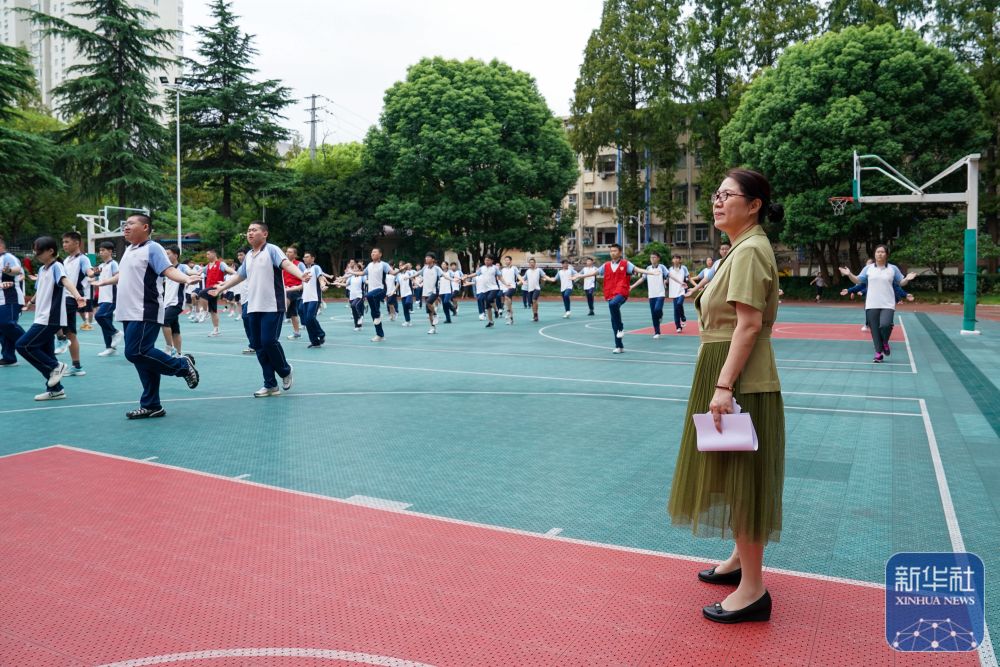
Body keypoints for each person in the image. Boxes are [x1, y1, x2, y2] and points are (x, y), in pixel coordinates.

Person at [668, 168, 785, 625]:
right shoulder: (740, 249)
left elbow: (749, 325)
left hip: (741, 381)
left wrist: (723, 386)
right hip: (728, 373)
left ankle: (753, 589)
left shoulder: (752, 250)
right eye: (715, 195)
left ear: (754, 204)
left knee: (745, 480)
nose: (717, 202)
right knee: (733, 476)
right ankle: (740, 560)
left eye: (727, 195)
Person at [92, 215, 201, 419]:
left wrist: (186, 278)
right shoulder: (129, 251)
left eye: (131, 224)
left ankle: (182, 366)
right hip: (127, 310)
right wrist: (104, 282)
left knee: (136, 352)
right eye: (125, 224)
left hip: (145, 309)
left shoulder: (153, 248)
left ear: (145, 227)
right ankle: (152, 405)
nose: (126, 227)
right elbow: (123, 275)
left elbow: (168, 270)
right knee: (142, 358)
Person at [210, 221, 310, 397]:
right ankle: (270, 384)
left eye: (254, 230)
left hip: (272, 305)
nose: (250, 233)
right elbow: (240, 275)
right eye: (248, 230)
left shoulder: (272, 250)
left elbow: (286, 264)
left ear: (264, 234)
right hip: (253, 305)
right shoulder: (249, 255)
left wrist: (300, 275)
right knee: (258, 346)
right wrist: (221, 288)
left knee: (269, 341)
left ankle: (285, 371)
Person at [15, 236, 88, 400]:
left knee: (23, 345)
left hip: (50, 318)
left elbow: (66, 281)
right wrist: (29, 304)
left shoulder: (57, 266)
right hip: (41, 316)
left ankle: (55, 366)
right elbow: (40, 290)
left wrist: (78, 297)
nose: (36, 254)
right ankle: (56, 389)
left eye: (39, 251)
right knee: (47, 351)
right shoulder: (42, 269)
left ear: (51, 251)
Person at [838, 247, 915, 363]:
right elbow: (858, 280)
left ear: (886, 254)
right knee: (874, 330)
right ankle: (878, 354)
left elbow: (901, 282)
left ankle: (884, 342)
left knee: (885, 325)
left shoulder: (893, 268)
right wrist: (849, 274)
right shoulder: (868, 268)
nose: (880, 254)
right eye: (878, 252)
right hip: (871, 303)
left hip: (888, 303)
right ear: (874, 255)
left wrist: (907, 279)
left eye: (882, 252)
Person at [578, 244, 638, 354]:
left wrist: (650, 272)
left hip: (621, 292)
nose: (612, 253)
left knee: (613, 305)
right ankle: (619, 346)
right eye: (611, 251)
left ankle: (621, 328)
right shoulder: (606, 265)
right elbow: (593, 273)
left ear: (620, 252)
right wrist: (579, 276)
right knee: (613, 320)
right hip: (610, 293)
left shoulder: (625, 264)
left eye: (615, 250)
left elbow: (637, 269)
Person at [56, 231, 90, 378]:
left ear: (77, 243)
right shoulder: (66, 260)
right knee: (71, 333)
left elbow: (88, 271)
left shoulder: (83, 259)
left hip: (71, 298)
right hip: (63, 297)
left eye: (67, 242)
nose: (64, 245)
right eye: (63, 242)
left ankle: (61, 340)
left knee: (53, 319)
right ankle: (77, 366)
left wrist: (92, 273)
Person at [89, 241, 123, 356]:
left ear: (110, 251)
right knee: (105, 321)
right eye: (100, 250)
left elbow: (118, 277)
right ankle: (110, 348)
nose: (101, 252)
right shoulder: (101, 266)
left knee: (99, 316)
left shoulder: (113, 264)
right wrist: (93, 277)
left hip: (111, 297)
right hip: (103, 297)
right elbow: (92, 275)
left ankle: (116, 332)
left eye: (103, 250)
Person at [629, 251, 670, 338]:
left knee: (657, 309)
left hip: (660, 293)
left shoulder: (662, 267)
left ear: (658, 258)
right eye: (651, 257)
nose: (652, 259)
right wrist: (632, 286)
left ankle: (661, 314)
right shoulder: (648, 268)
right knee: (653, 314)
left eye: (654, 257)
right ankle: (657, 332)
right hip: (651, 294)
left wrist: (666, 281)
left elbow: (668, 275)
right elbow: (642, 279)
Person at [0, 237, 26, 368]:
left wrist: (8, 270)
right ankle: (9, 357)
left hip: (11, 298)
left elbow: (17, 269)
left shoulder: (7, 257)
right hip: (1, 300)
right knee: (3, 328)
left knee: (7, 323)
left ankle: (32, 343)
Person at [196, 249, 235, 337]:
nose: (207, 256)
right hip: (209, 289)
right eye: (206, 254)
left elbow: (227, 268)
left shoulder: (220, 264)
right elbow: (199, 272)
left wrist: (235, 273)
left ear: (214, 254)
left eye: (208, 254)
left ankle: (205, 312)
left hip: (216, 287)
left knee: (201, 293)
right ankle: (216, 329)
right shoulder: (207, 266)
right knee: (213, 310)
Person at [160, 245, 188, 357]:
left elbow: (189, 271)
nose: (165, 255)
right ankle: (179, 354)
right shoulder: (167, 269)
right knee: (175, 329)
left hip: (177, 302)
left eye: (168, 253)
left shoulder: (182, 267)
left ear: (175, 255)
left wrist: (193, 275)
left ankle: (169, 347)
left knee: (164, 321)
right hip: (167, 302)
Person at [299, 251, 328, 348]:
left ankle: (321, 334)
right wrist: (288, 289)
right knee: (307, 321)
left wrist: (323, 285)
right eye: (304, 257)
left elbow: (320, 278)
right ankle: (315, 342)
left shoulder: (316, 267)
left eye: (307, 257)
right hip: (305, 298)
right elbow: (303, 286)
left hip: (314, 298)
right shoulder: (304, 271)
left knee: (310, 318)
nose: (304, 258)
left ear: (312, 258)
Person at [283, 246, 306, 340]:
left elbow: (305, 275)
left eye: (290, 252)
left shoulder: (299, 264)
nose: (288, 253)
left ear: (295, 255)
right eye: (287, 252)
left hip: (296, 289)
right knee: (292, 313)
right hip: (286, 289)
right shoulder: (283, 264)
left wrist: (300, 286)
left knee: (284, 304)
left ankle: (279, 315)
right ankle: (296, 333)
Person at [417, 253, 444, 334]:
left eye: (428, 257)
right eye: (426, 257)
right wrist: (409, 277)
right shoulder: (424, 268)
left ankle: (436, 314)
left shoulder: (437, 268)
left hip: (434, 290)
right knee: (429, 312)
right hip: (426, 291)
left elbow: (443, 275)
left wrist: (453, 279)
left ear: (433, 259)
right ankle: (433, 327)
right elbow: (418, 274)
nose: (426, 258)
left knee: (428, 303)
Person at [499, 256, 521, 325]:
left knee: (506, 297)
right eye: (505, 260)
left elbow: (518, 276)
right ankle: (510, 318)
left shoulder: (514, 268)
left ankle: (509, 313)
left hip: (512, 287)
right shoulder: (502, 270)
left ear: (511, 261)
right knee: (508, 303)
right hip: (505, 287)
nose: (506, 261)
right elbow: (500, 278)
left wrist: (522, 280)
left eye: (508, 260)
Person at [397, 262, 416, 327]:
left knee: (407, 303)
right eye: (399, 266)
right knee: (404, 309)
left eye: (401, 265)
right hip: (402, 293)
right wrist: (393, 291)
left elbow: (413, 279)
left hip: (408, 292)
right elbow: (398, 284)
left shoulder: (408, 272)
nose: (400, 267)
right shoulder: (399, 275)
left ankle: (410, 309)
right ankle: (407, 321)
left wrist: (417, 284)